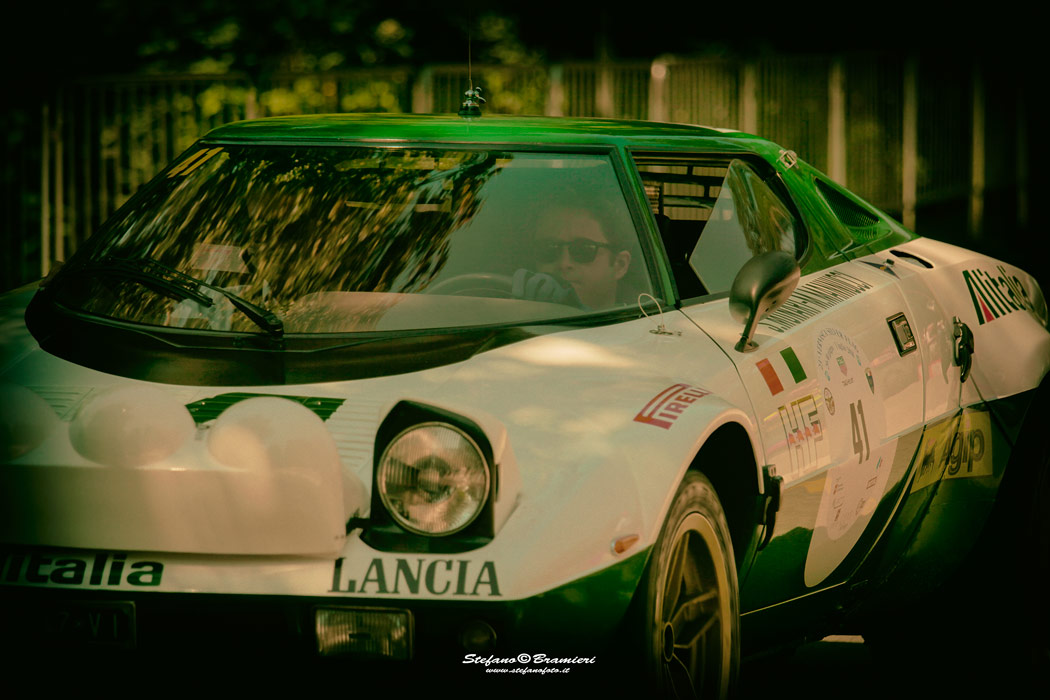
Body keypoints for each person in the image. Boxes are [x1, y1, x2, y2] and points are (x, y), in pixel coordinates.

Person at [512, 207, 632, 309]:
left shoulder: (638, 325)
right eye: (549, 248)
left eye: (583, 249)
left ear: (620, 265)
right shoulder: (512, 317)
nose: (564, 263)